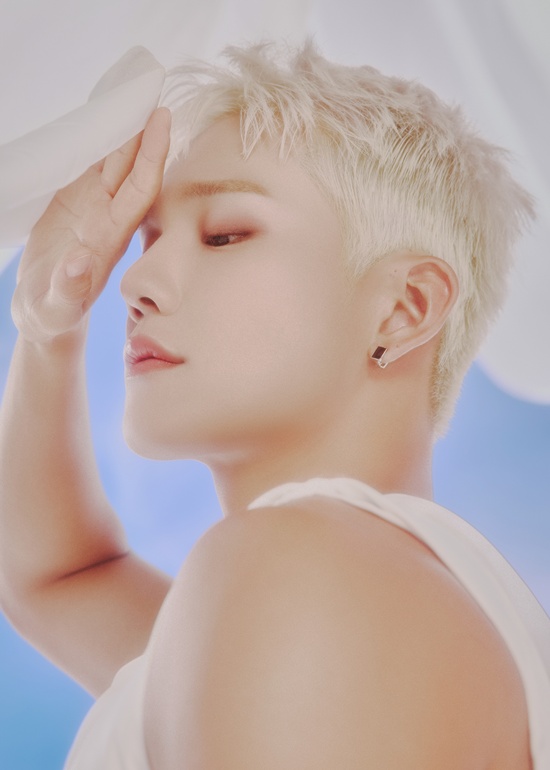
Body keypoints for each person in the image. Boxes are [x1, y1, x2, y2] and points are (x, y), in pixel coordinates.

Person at [0, 40, 548, 769]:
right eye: (147, 241)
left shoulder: (295, 569)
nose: (134, 283)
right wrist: (48, 327)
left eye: (224, 234)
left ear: (404, 308)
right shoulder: (390, 595)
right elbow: (55, 579)